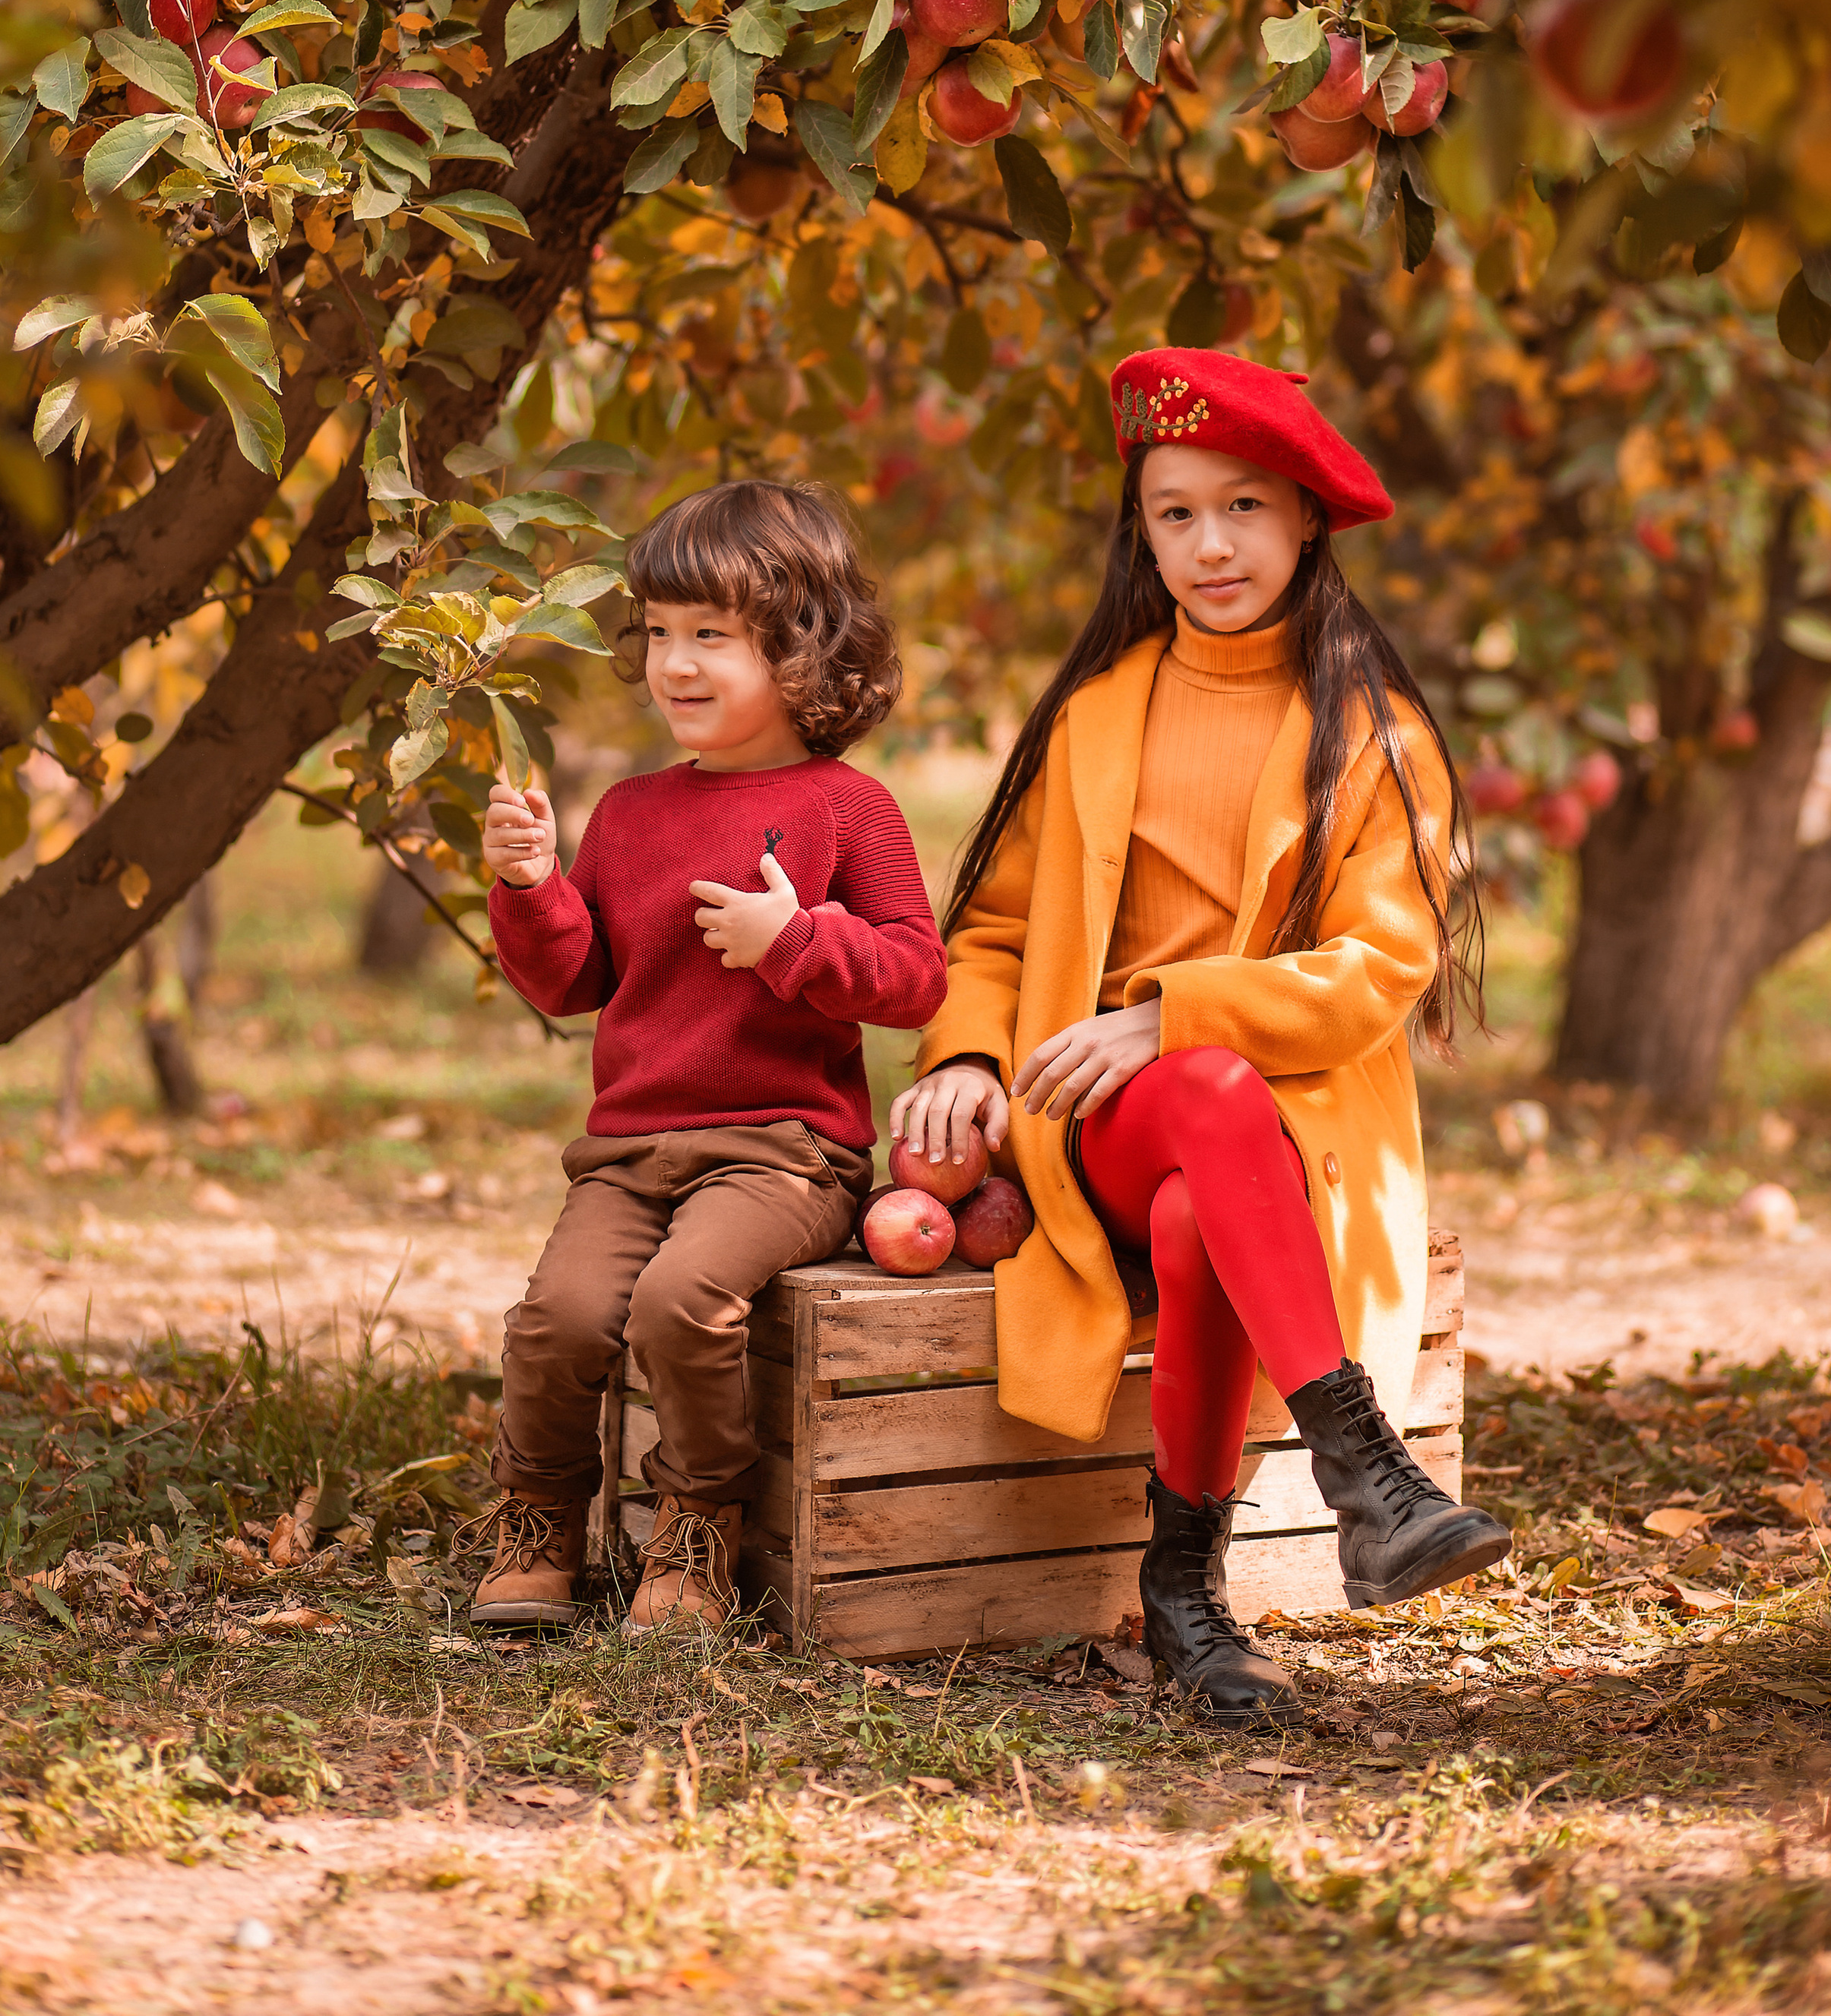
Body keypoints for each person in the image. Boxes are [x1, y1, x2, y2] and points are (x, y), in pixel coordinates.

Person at [891, 348, 1509, 1728]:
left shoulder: (1376, 736)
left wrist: (1175, 1015)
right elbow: (992, 931)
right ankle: (1369, 1476)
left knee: (1198, 1198)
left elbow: (1381, 970)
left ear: (1306, 520)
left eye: (1242, 508)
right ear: (1144, 531)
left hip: (1288, 1138)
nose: (1210, 545)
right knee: (1204, 1097)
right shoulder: (1095, 718)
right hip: (1087, 1121)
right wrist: (971, 1057)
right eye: (1175, 513)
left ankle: (1183, 1590)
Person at [474, 479, 947, 1637]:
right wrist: (532, 887)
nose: (674, 665)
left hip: (785, 1153)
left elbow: (915, 976)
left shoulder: (849, 809)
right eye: (658, 634)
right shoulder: (631, 812)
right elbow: (576, 979)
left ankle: (697, 1527)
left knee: (681, 1302)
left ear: (802, 649)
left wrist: (795, 941)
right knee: (559, 1318)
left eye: (711, 637)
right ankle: (539, 1520)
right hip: (631, 1150)